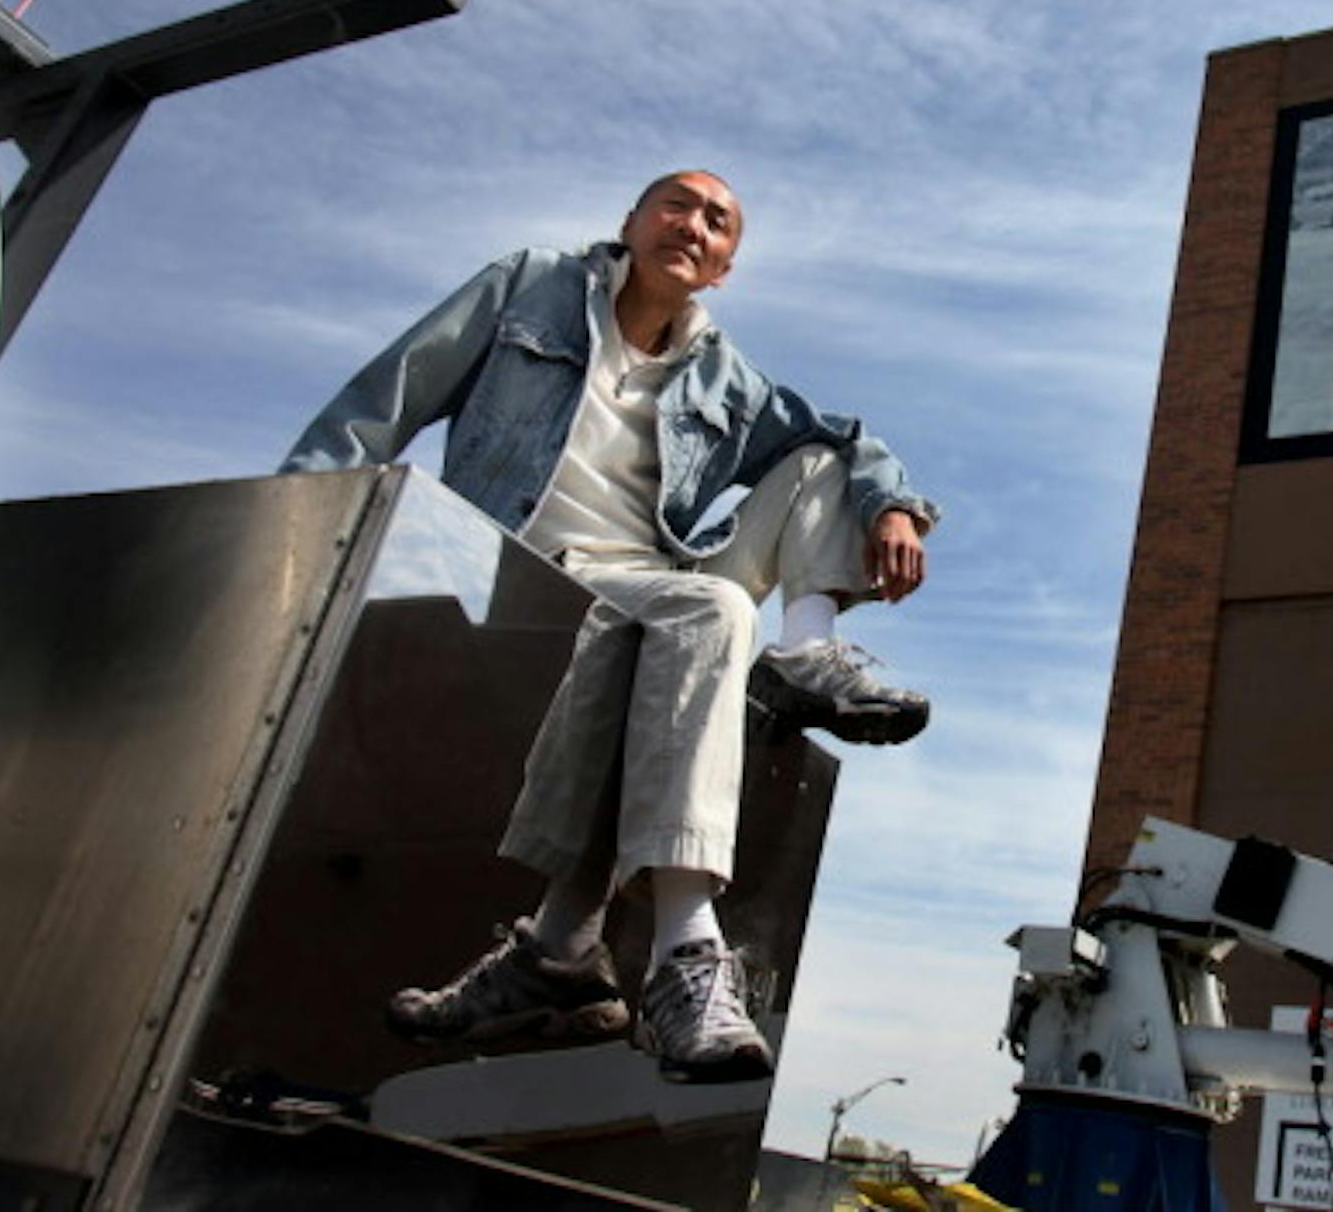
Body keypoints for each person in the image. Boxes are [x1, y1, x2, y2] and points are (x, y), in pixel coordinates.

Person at [281, 169, 939, 1083]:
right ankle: (680, 956)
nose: (694, 224)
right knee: (701, 611)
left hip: (651, 585)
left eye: (718, 222)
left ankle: (803, 649)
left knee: (819, 458)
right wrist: (296, 526)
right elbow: (388, 393)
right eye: (676, 203)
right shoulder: (530, 287)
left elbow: (850, 437)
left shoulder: (722, 376)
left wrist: (894, 508)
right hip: (526, 570)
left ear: (724, 268)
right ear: (630, 221)